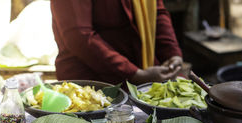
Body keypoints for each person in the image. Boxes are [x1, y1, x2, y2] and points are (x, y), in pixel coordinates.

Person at [51, 0, 183, 85]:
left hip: (145, 70)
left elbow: (156, 11)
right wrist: (134, 74)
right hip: (92, 84)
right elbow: (79, 37)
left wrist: (172, 54)